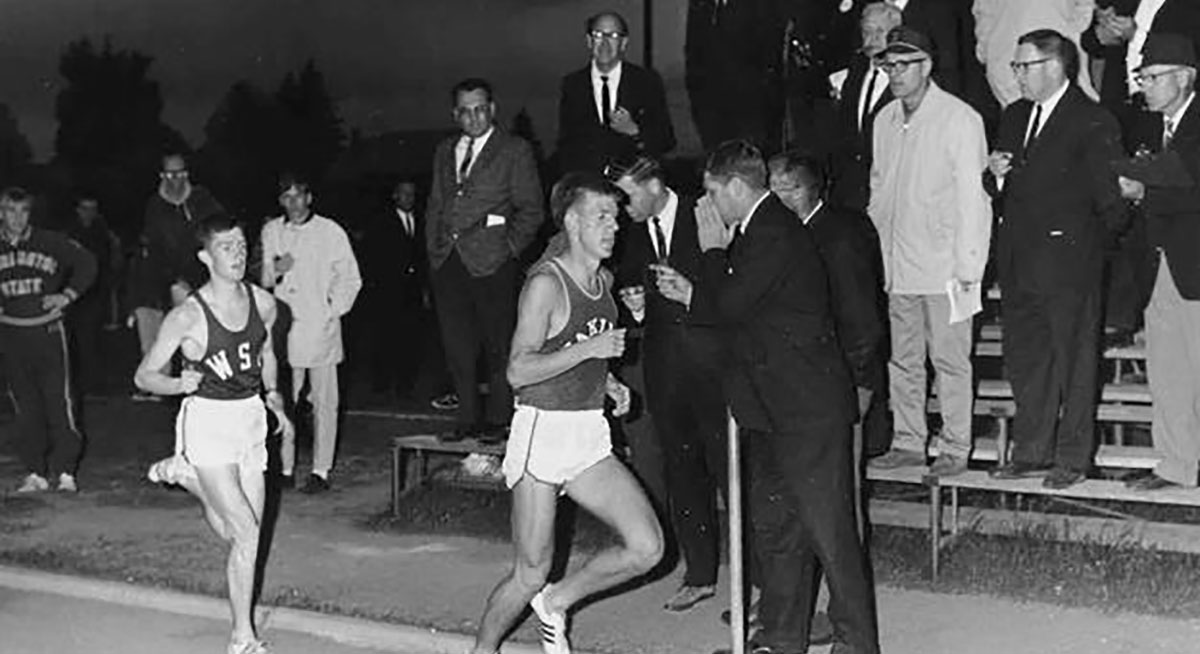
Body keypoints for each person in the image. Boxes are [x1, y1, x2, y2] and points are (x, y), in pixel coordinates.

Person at [655, 141, 878, 654]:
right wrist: (699, 287)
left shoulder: (774, 231)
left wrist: (710, 252)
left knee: (831, 535)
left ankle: (857, 645)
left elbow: (731, 304)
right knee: (778, 532)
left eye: (712, 192)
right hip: (772, 409)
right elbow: (742, 311)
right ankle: (782, 640)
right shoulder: (758, 231)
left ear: (736, 186)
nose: (708, 204)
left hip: (807, 410)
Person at [469, 172, 662, 654]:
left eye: (615, 217)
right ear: (573, 222)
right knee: (530, 571)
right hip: (542, 434)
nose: (613, 227)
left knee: (647, 547)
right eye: (601, 217)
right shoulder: (545, 285)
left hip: (588, 434)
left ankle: (559, 603)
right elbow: (518, 370)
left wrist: (610, 383)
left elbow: (586, 354)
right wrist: (592, 349)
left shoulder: (606, 282)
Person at [136, 212, 292, 654]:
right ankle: (242, 636)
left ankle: (186, 478)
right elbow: (145, 375)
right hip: (206, 421)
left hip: (250, 420)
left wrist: (275, 395)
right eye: (227, 247)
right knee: (244, 533)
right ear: (206, 256)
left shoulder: (264, 303)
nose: (238, 254)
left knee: (243, 532)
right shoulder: (187, 317)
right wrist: (174, 384)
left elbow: (266, 354)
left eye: (242, 245)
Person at [985, 29, 1126, 489]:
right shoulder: (1013, 115)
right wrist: (996, 178)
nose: (1017, 75)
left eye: (1023, 66)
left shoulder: (1092, 120)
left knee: (1076, 364)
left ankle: (1073, 458)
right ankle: (1032, 451)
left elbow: (1113, 206)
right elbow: (1003, 190)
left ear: (1055, 66)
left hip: (1070, 265)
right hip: (1020, 262)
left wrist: (1083, 252)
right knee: (1027, 362)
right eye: (1016, 67)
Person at [867, 26, 992, 476]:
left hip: (945, 267)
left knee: (950, 360)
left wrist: (968, 269)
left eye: (904, 65)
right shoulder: (883, 120)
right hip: (897, 265)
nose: (895, 74)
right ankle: (908, 439)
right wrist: (877, 257)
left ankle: (957, 445)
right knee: (903, 359)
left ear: (927, 66)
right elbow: (879, 191)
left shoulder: (960, 120)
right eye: (888, 66)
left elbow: (973, 201)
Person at [609, 156, 726, 613]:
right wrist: (635, 307)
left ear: (655, 184)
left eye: (627, 195)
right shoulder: (629, 233)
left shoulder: (706, 213)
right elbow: (628, 296)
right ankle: (700, 575)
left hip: (713, 370)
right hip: (664, 372)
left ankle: (757, 583)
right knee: (683, 475)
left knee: (730, 474)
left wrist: (692, 297)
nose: (621, 208)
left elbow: (731, 288)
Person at [426, 78, 544, 444]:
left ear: (492, 109)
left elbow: (531, 209)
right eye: (465, 111)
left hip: (492, 263)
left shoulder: (514, 150)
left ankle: (498, 419)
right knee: (458, 346)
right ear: (455, 114)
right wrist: (434, 249)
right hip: (449, 261)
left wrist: (507, 248)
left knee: (498, 344)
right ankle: (466, 419)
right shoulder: (445, 150)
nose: (473, 117)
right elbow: (435, 204)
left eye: (480, 109)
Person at [769, 151, 889, 470]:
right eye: (773, 188)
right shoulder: (785, 232)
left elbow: (861, 315)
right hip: (808, 378)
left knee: (841, 474)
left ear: (810, 190)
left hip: (846, 377)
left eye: (788, 188)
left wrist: (860, 382)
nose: (778, 197)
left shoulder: (841, 235)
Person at [1117, 33, 1200, 491]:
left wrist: (1134, 179)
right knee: (1168, 372)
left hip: (1194, 265)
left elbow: (1184, 175)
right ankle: (1176, 465)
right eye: (1141, 77)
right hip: (1161, 266)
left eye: (1152, 77)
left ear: (1185, 77)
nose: (1144, 86)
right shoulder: (1152, 127)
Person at [260, 173, 361, 493]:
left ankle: (320, 470)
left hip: (321, 329)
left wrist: (332, 309)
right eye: (286, 197)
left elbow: (350, 279)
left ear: (309, 197)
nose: (293, 203)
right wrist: (276, 270)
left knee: (324, 402)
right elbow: (264, 279)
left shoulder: (330, 232)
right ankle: (285, 467)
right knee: (282, 400)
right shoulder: (272, 231)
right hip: (285, 330)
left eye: (298, 195)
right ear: (280, 201)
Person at [0, 187, 97, 493]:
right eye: (10, 210)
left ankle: (66, 471)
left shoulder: (50, 241)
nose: (17, 218)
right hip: (11, 335)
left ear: (30, 213)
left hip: (49, 334)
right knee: (24, 405)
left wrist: (67, 295)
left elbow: (87, 263)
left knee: (60, 401)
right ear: (0, 212)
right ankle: (35, 471)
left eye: (23, 211)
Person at [557, 11, 676, 176]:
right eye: (598, 35)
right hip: (588, 188)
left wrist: (634, 131)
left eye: (613, 35)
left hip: (633, 185)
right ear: (589, 41)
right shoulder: (572, 85)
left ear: (624, 42)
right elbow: (565, 145)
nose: (604, 43)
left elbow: (666, 140)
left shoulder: (646, 82)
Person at [829, 2, 903, 212]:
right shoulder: (855, 73)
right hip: (851, 196)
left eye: (880, 31)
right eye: (866, 32)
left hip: (890, 195)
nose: (872, 40)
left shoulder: (908, 83)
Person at [363, 179, 428, 399]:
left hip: (413, 292)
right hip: (387, 291)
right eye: (404, 194)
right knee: (385, 338)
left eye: (412, 194)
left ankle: (405, 385)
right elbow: (372, 256)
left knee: (410, 339)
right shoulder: (381, 221)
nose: (408, 198)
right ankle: (381, 384)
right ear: (395, 196)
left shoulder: (422, 220)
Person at [973, 0, 1099, 108]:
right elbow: (985, 14)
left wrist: (1075, 35)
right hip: (1009, 63)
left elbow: (1085, 9)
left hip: (1057, 58)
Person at [142, 152, 226, 312]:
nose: (175, 179)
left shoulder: (202, 198)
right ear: (162, 176)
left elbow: (220, 231)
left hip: (206, 279)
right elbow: (154, 251)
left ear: (186, 174)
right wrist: (174, 281)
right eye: (169, 174)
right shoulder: (154, 206)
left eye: (179, 173)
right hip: (172, 286)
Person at [66, 194, 116, 395]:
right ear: (78, 210)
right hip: (72, 294)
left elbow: (106, 262)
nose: (89, 213)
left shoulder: (102, 232)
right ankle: (75, 382)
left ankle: (93, 384)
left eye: (93, 209)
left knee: (90, 339)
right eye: (85, 208)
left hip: (94, 293)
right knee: (72, 340)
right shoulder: (70, 232)